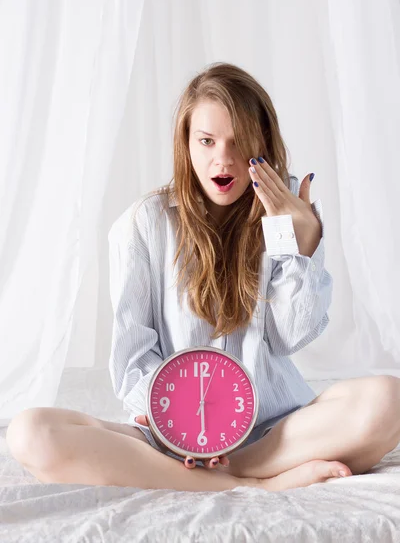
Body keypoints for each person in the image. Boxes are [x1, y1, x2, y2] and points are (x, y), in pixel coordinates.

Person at [7, 62, 400, 493]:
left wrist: (300, 245)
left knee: (388, 402)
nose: (223, 159)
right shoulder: (142, 224)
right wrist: (177, 428)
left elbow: (290, 338)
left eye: (239, 142)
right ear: (186, 144)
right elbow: (134, 359)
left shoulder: (285, 214)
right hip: (171, 435)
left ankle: (235, 470)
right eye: (207, 141)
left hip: (272, 431)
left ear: (263, 142)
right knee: (30, 432)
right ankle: (252, 485)